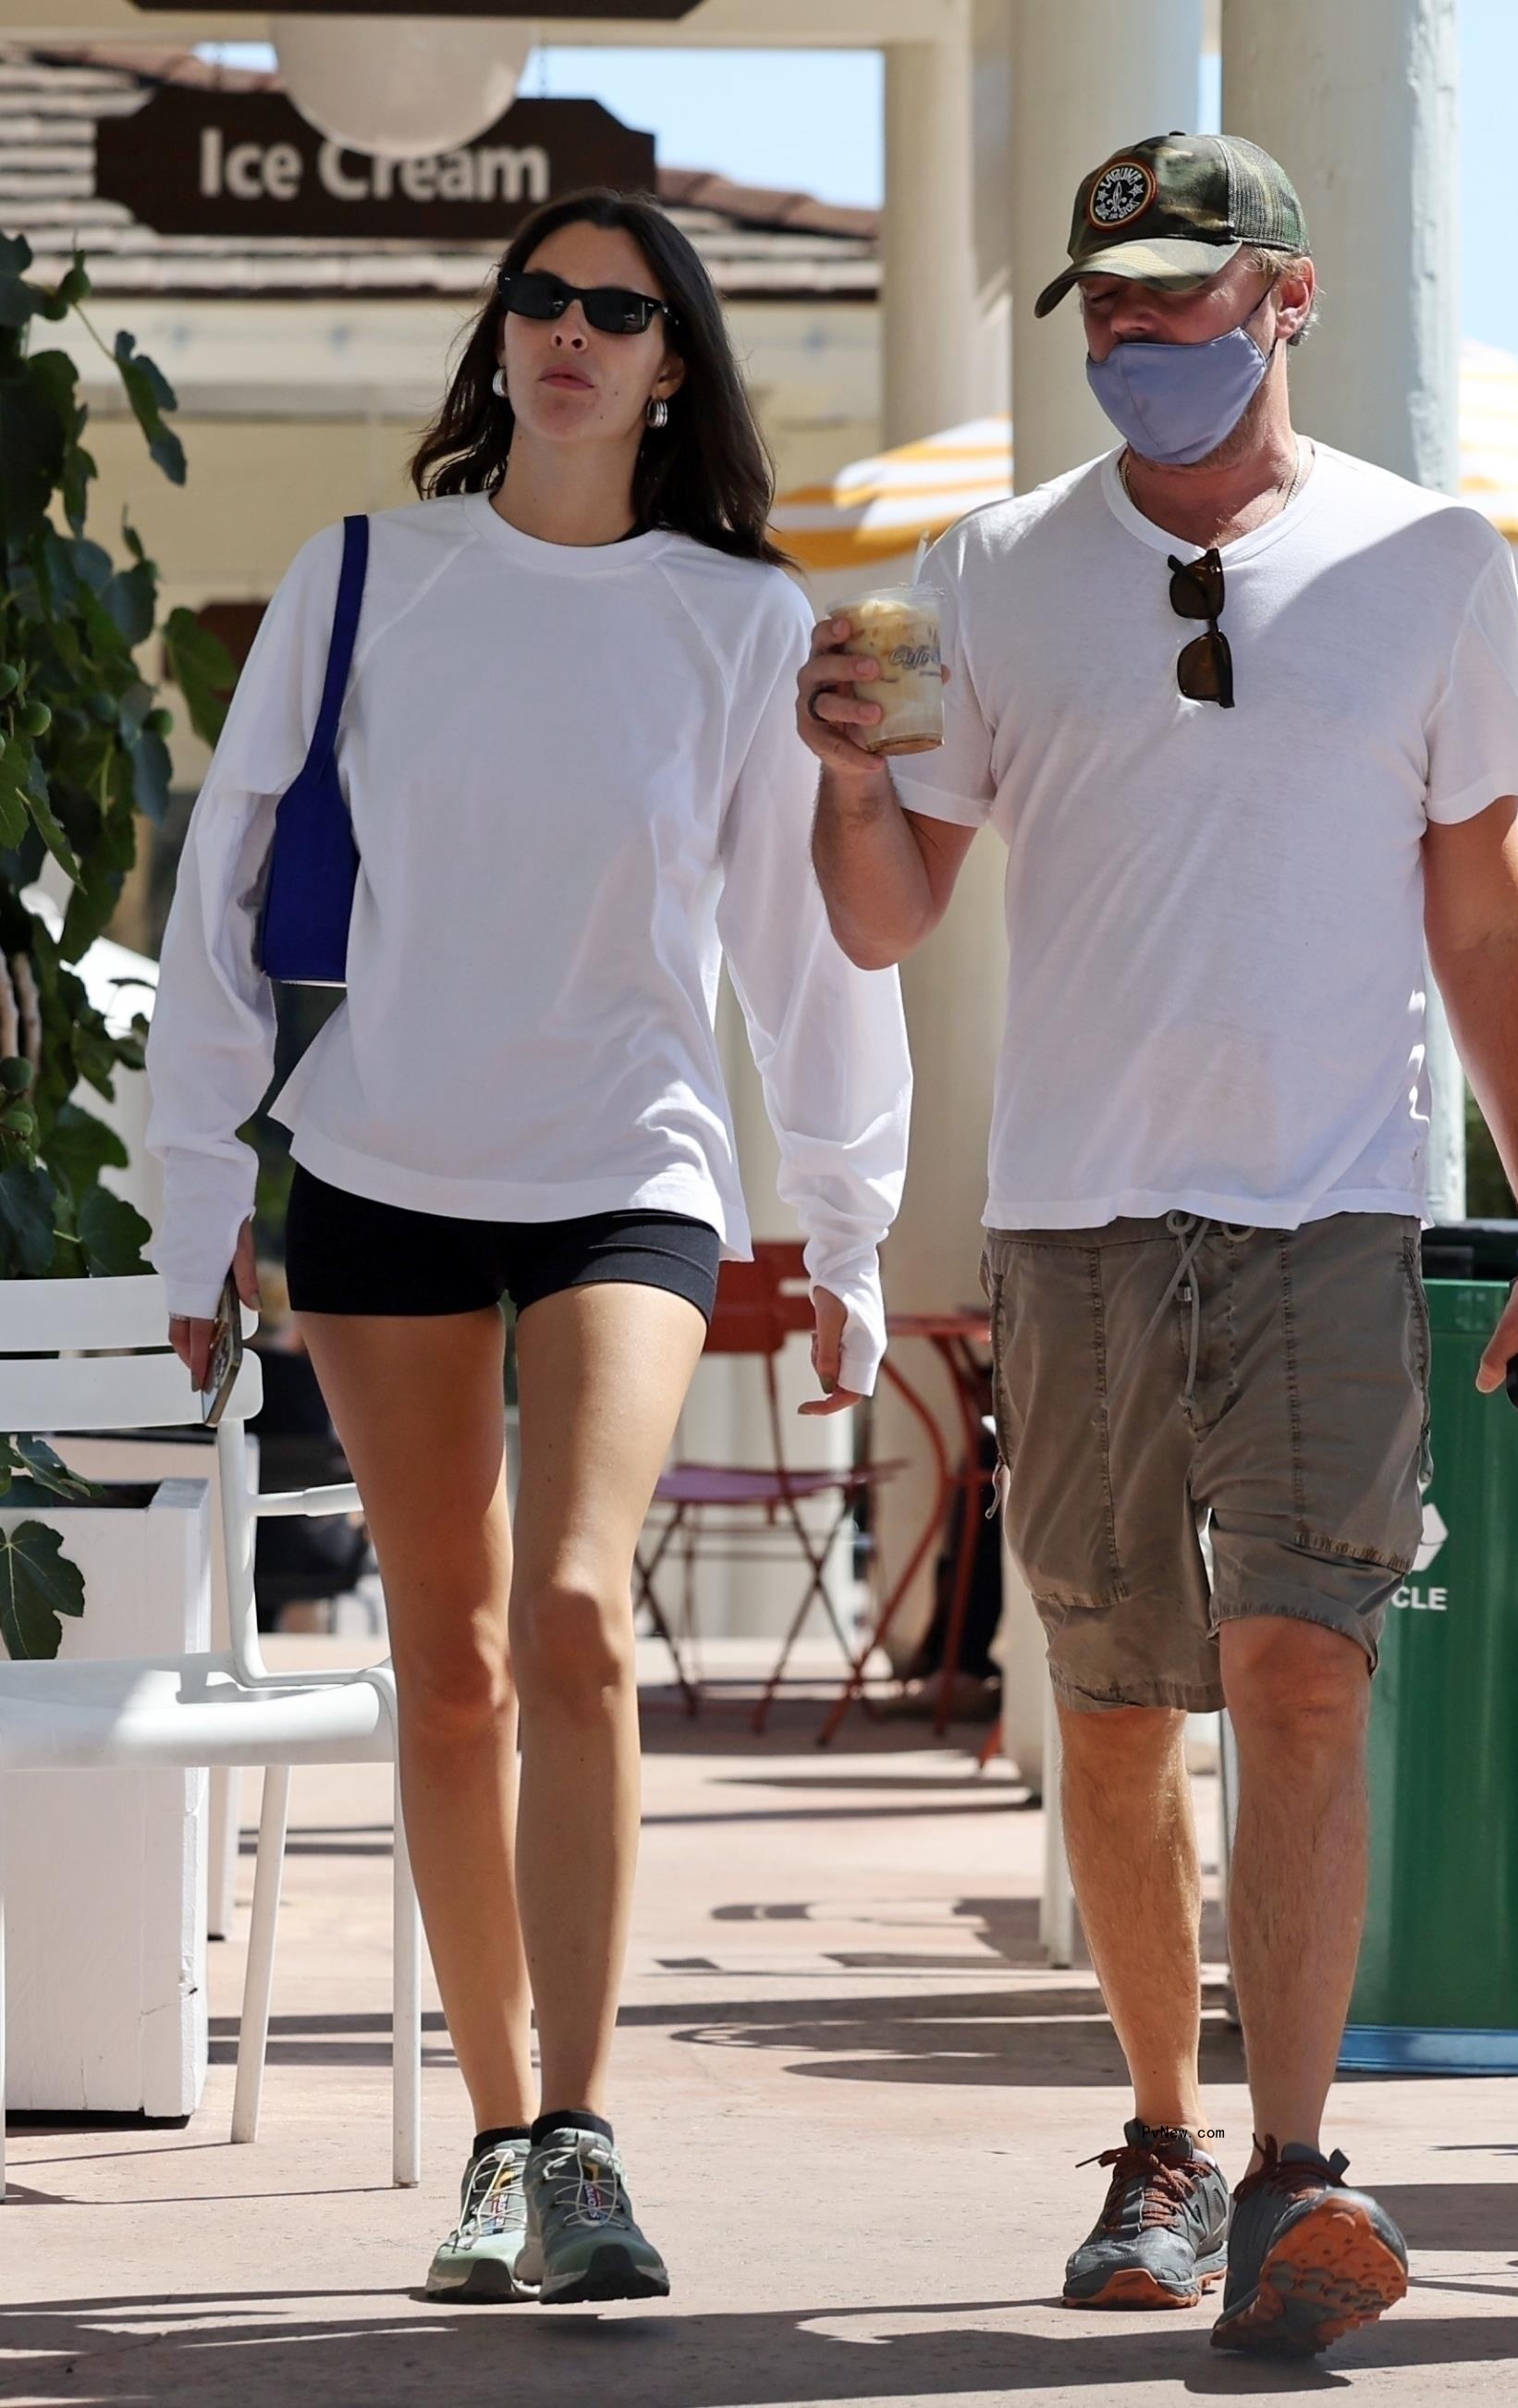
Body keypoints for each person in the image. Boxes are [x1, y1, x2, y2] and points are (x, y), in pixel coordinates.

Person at [797, 129, 1518, 2360]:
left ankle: (1294, 2171)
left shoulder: (1434, 557)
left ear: (1290, 295)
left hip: (1332, 1214)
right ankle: (1158, 2141)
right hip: (1072, 1221)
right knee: (1119, 1704)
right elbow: (883, 917)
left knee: (1305, 1674)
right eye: (1114, 310)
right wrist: (849, 773)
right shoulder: (987, 574)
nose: (1145, 341)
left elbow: (1486, 911)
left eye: (1184, 294)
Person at [146, 187, 911, 2307]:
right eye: (540, 299)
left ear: (675, 369)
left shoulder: (741, 618)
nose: (569, 332)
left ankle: (580, 2132)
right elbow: (226, 885)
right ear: (501, 339)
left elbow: (807, 952)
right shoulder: (369, 575)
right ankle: (495, 2145)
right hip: (382, 1165)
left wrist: (845, 1217)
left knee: (577, 1614)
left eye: (619, 310)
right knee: (449, 1658)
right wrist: (200, 1200)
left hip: (628, 1172)